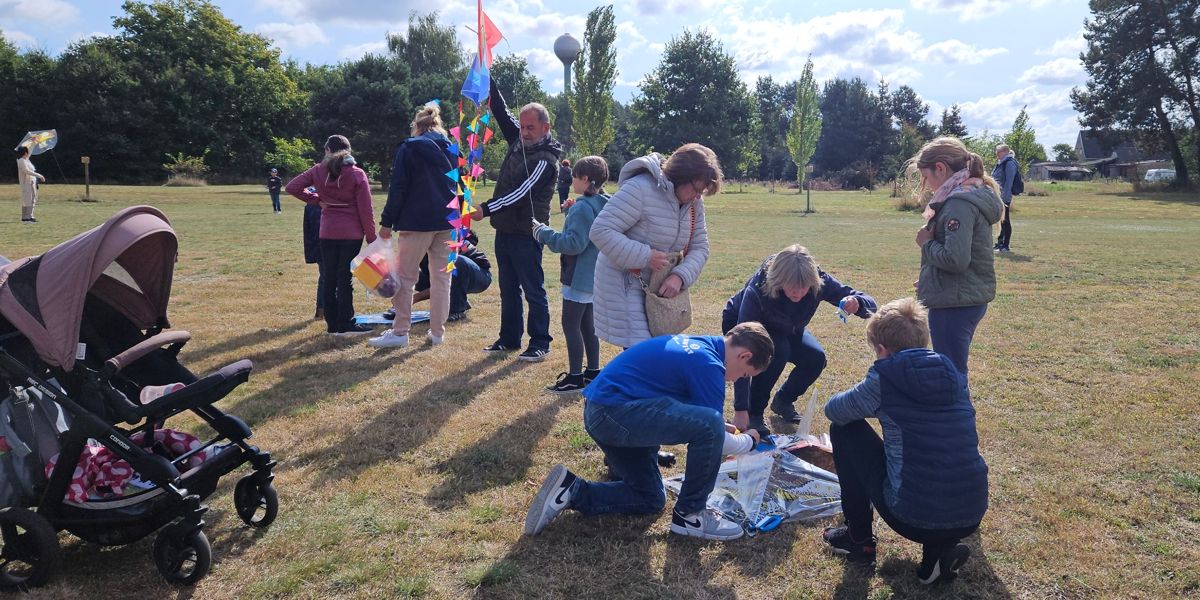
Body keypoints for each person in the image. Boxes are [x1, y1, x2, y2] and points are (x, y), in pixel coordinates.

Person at [524, 323, 773, 541]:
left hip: (603, 412)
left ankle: (572, 490)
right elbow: (714, 435)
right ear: (744, 355)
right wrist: (748, 442)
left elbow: (679, 403)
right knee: (710, 424)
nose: (737, 379)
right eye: (744, 374)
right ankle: (691, 516)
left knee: (650, 498)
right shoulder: (709, 365)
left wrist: (718, 427)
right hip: (613, 417)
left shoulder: (701, 346)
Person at [820, 297, 988, 585]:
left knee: (843, 430)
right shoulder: (953, 373)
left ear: (882, 350)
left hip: (911, 513)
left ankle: (858, 539)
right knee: (931, 458)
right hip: (971, 511)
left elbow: (834, 410)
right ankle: (939, 554)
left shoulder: (885, 376)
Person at [722, 245, 876, 437]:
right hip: (744, 327)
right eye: (792, 287)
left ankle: (783, 400)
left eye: (804, 288)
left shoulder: (819, 281)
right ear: (778, 281)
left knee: (815, 358)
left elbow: (870, 303)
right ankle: (755, 411)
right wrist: (741, 409)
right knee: (777, 350)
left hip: (788, 327)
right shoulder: (759, 289)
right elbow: (742, 349)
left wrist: (857, 302)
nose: (798, 293)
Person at [589, 143, 720, 350]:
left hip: (658, 291)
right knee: (643, 355)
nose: (698, 196)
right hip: (625, 284)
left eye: (702, 191)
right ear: (680, 175)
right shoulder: (640, 188)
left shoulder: (695, 202)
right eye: (696, 189)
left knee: (654, 356)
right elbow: (601, 231)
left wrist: (680, 276)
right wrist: (645, 256)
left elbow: (700, 247)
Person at [471, 79, 562, 362]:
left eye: (530, 127)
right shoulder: (517, 140)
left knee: (533, 290)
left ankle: (539, 342)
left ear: (545, 128)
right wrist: (489, 80)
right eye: (522, 126)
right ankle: (509, 339)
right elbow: (501, 112)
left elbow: (520, 194)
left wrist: (485, 209)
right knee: (508, 288)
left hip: (528, 232)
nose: (523, 132)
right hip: (505, 230)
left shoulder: (546, 160)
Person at [908, 136, 1002, 377]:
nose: (927, 184)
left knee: (951, 374)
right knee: (952, 370)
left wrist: (926, 244)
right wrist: (931, 278)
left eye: (926, 177)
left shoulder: (958, 203)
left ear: (940, 168)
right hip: (960, 297)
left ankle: (958, 415)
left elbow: (956, 260)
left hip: (955, 305)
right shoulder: (971, 192)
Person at [369, 104, 458, 349]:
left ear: (417, 126)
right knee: (442, 279)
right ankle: (437, 333)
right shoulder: (452, 150)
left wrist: (386, 223)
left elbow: (398, 188)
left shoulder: (409, 148)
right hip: (448, 220)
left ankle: (400, 332)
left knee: (405, 277)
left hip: (417, 221)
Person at [286, 134, 377, 336]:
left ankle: (332, 324)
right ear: (349, 151)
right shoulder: (357, 174)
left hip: (327, 232)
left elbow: (291, 187)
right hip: (351, 233)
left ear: (328, 150)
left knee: (329, 277)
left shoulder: (318, 171)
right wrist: (372, 238)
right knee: (345, 278)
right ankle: (345, 322)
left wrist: (316, 199)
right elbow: (366, 210)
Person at [534, 156, 610, 393]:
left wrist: (543, 233)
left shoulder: (582, 207)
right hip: (595, 276)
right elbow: (589, 233)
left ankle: (575, 377)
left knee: (570, 324)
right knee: (588, 325)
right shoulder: (604, 202)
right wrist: (571, 213)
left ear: (585, 179)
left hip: (578, 277)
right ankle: (593, 372)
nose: (571, 181)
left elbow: (574, 244)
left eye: (575, 177)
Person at [385, 229, 492, 323]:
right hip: (454, 276)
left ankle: (458, 310)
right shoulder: (421, 243)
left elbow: (443, 281)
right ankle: (457, 298)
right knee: (413, 276)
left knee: (455, 262)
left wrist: (413, 299)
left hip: (480, 275)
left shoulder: (447, 238)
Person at [992, 144, 1018, 253]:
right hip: (998, 195)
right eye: (996, 152)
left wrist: (1005, 197)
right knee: (1000, 219)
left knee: (1005, 219)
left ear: (1005, 152)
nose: (997, 154)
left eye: (999, 152)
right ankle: (999, 243)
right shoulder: (1001, 163)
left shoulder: (1009, 163)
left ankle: (1005, 245)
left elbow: (1009, 182)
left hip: (1004, 196)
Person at [303, 202, 325, 320]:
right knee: (327, 277)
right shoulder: (315, 202)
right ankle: (323, 310)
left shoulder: (312, 200)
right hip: (324, 244)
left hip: (319, 245)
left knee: (325, 277)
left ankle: (322, 310)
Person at [16, 146, 45, 223]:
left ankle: (28, 217)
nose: (28, 153)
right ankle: (27, 217)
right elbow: (27, 171)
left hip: (32, 182)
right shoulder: (21, 161)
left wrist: (34, 142)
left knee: (33, 199)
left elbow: (30, 152)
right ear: (25, 152)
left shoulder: (26, 159)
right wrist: (39, 175)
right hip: (26, 183)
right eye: (27, 151)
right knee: (28, 200)